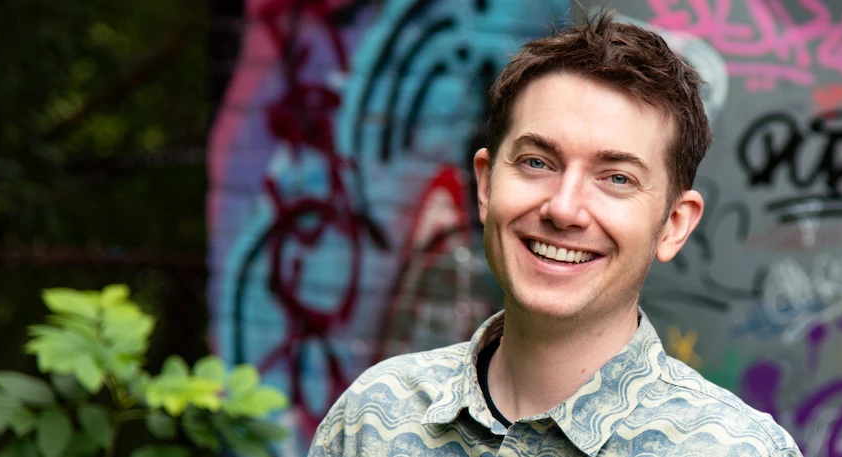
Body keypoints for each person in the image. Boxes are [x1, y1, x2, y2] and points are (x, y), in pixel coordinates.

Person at [307, 9, 801, 457]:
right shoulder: (373, 419)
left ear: (674, 225)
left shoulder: (735, 449)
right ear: (486, 185)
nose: (564, 209)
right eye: (537, 162)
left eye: (617, 178)